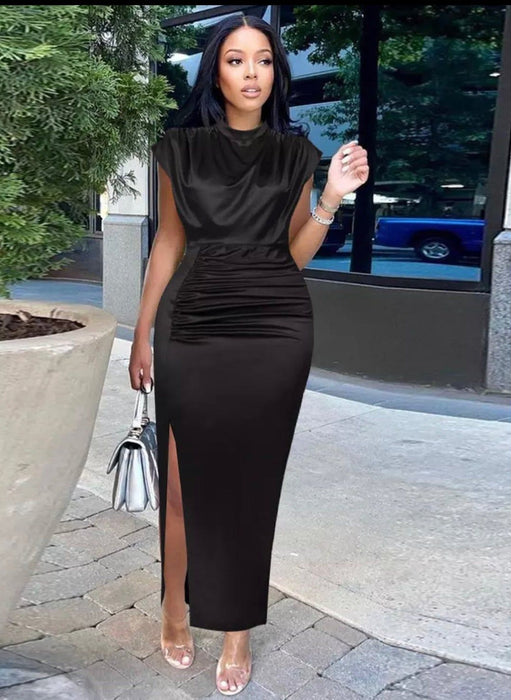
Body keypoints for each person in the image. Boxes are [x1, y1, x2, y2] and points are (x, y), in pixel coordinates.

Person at [130, 13, 368, 696]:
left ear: (276, 72)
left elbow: (294, 256)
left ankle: (236, 630)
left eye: (263, 60)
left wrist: (330, 199)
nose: (251, 73)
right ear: (216, 72)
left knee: (251, 487)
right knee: (182, 489)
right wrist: (142, 332)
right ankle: (174, 609)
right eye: (236, 60)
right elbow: (169, 240)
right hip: (192, 324)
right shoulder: (179, 148)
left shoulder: (295, 154)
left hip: (274, 328)